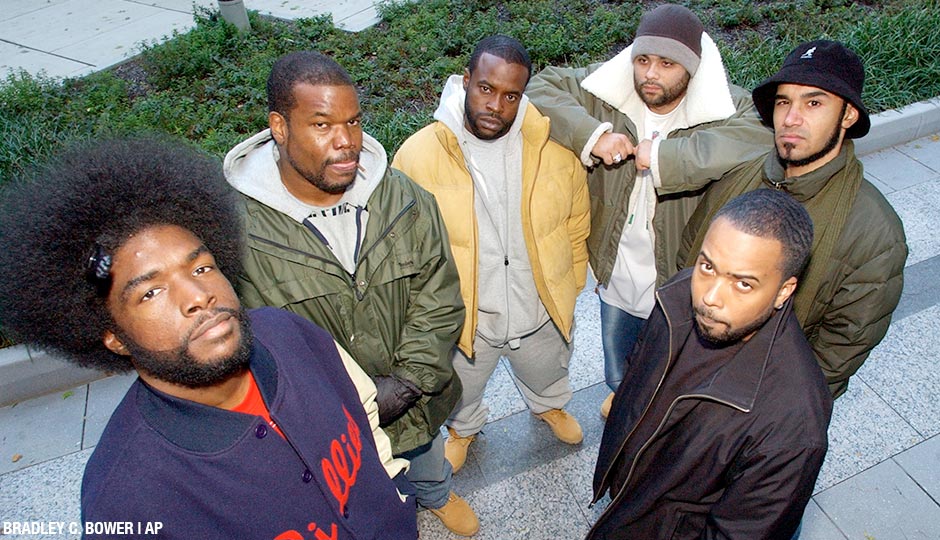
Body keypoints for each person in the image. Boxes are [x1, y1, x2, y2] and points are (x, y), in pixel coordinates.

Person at [0, 136, 418, 539]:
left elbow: (360, 407)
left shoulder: (287, 331)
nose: (199, 296)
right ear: (113, 337)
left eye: (201, 268)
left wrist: (392, 488)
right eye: (151, 292)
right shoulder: (128, 499)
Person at [224, 51, 478, 536]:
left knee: (424, 456)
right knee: (350, 497)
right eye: (322, 125)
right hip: (327, 423)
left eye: (354, 121)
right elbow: (256, 343)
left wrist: (406, 382)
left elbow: (440, 295)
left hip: (413, 398)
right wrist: (346, 403)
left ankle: (438, 494)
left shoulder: (403, 199)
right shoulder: (237, 233)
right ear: (280, 126)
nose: (346, 143)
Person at [526, 4, 772, 416]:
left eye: (667, 63)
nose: (650, 74)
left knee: (672, 353)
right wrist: (593, 134)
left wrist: (663, 157)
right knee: (617, 350)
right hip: (616, 264)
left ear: (692, 69)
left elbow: (762, 131)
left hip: (677, 268)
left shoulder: (727, 108)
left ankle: (656, 410)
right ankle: (622, 392)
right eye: (642, 60)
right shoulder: (607, 93)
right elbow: (540, 86)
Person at [392, 35, 591, 471]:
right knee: (463, 389)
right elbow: (399, 246)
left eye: (511, 95)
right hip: (467, 321)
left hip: (538, 309)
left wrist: (571, 284)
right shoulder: (418, 156)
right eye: (485, 88)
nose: (496, 106)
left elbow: (577, 222)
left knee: (548, 371)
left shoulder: (554, 148)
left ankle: (548, 406)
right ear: (465, 81)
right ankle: (463, 429)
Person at [588, 189, 832, 539]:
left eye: (743, 284)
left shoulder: (794, 425)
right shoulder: (677, 292)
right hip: (628, 498)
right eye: (708, 266)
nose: (709, 297)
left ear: (783, 291)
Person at [678, 40, 908, 398]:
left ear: (848, 115)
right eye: (784, 101)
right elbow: (688, 258)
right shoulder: (737, 175)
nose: (790, 118)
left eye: (813, 103)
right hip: (692, 365)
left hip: (765, 398)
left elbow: (841, 349)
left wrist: (771, 410)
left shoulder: (876, 233)